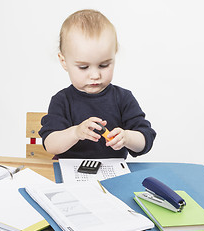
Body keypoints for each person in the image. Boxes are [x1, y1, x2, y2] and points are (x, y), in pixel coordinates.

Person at [39, 9, 156, 159]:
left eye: (104, 65)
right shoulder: (62, 100)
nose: (95, 75)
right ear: (64, 61)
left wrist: (127, 137)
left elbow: (146, 139)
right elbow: (50, 144)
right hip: (70, 177)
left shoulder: (123, 98)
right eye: (83, 67)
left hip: (112, 177)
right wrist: (76, 133)